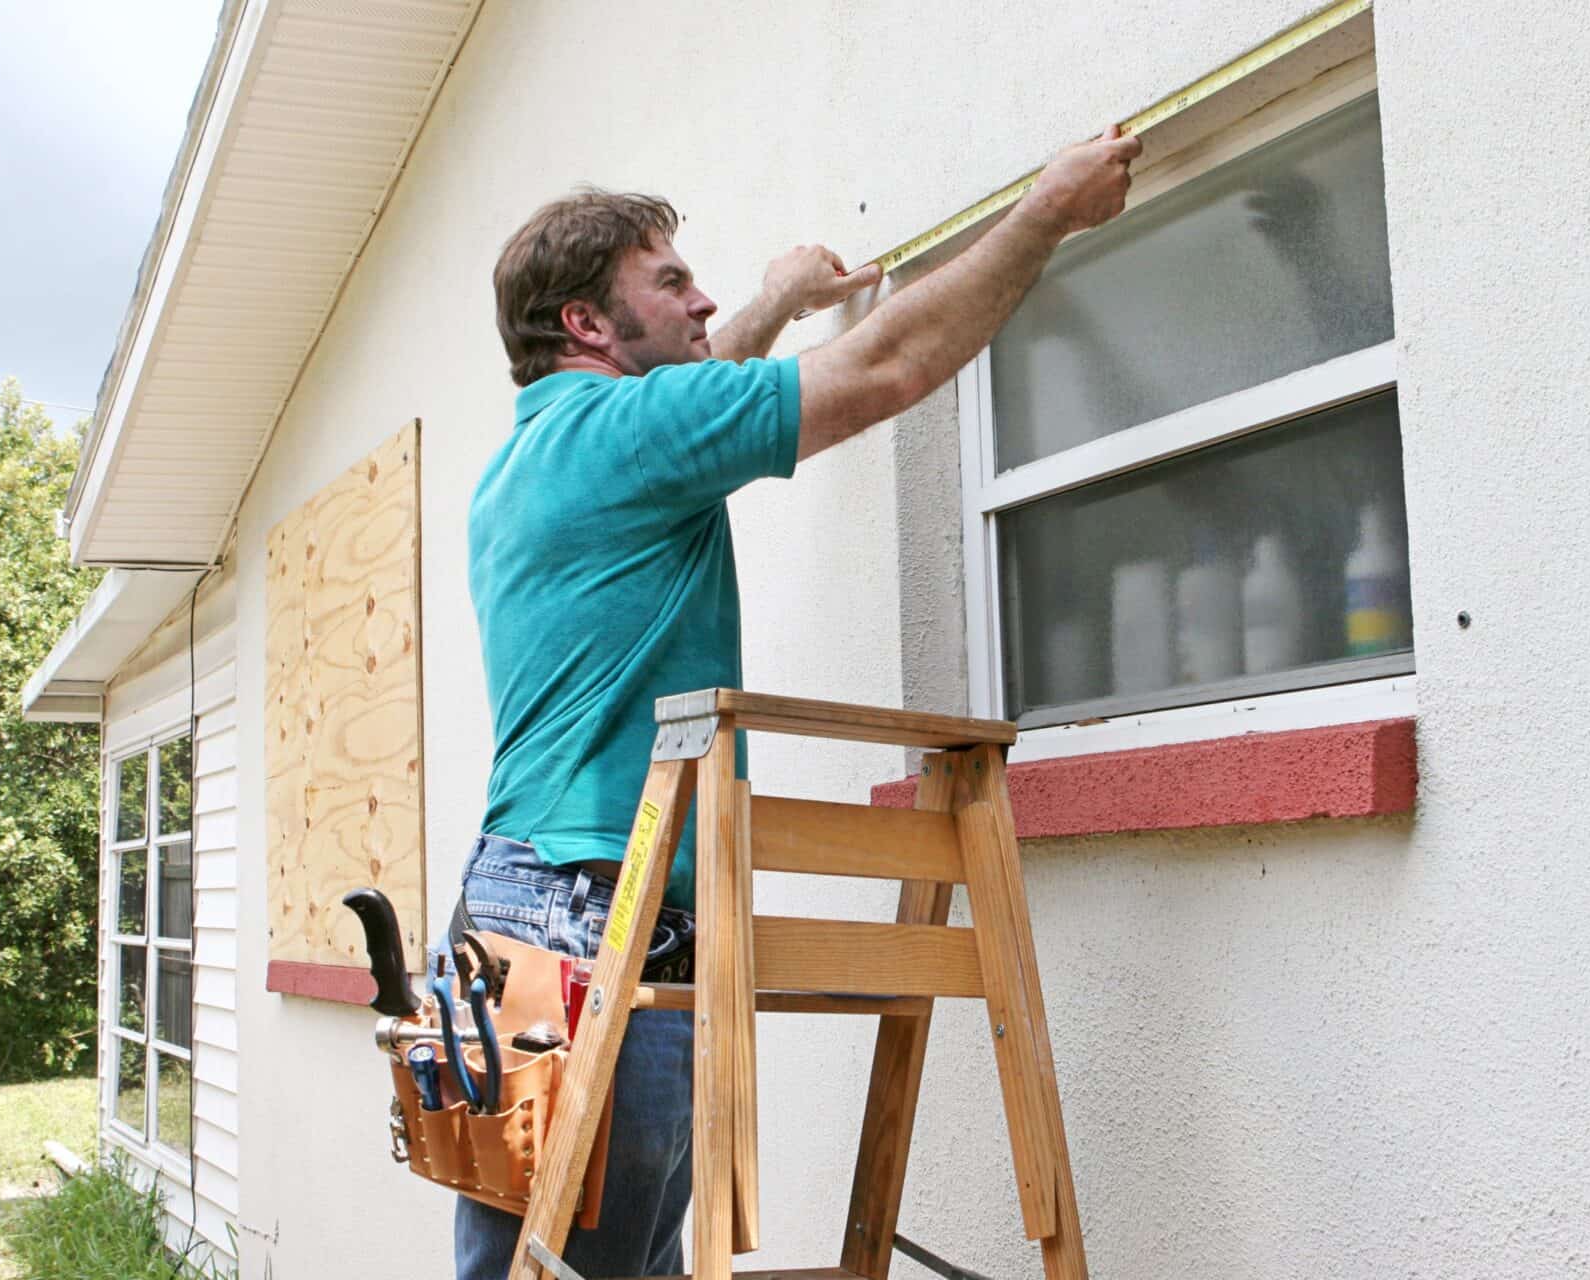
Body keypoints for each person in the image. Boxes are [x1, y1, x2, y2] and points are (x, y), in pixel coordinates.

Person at [451, 124, 1141, 1278]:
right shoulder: (627, 431)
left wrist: (774, 298)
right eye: (669, 282)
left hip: (522, 906)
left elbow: (702, 391)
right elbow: (885, 370)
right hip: (595, 913)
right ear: (585, 324)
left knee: (548, 1262)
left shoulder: (532, 456)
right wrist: (1045, 213)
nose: (701, 298)